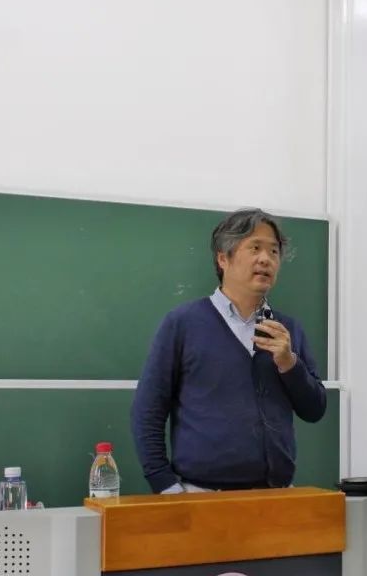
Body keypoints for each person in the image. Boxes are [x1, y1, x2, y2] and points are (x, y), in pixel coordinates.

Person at [131, 208, 326, 493]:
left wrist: (289, 363)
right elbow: (148, 410)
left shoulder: (287, 329)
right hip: (200, 494)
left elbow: (314, 409)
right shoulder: (183, 323)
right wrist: (164, 484)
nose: (266, 259)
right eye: (255, 248)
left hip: (277, 494)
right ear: (223, 259)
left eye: (273, 251)